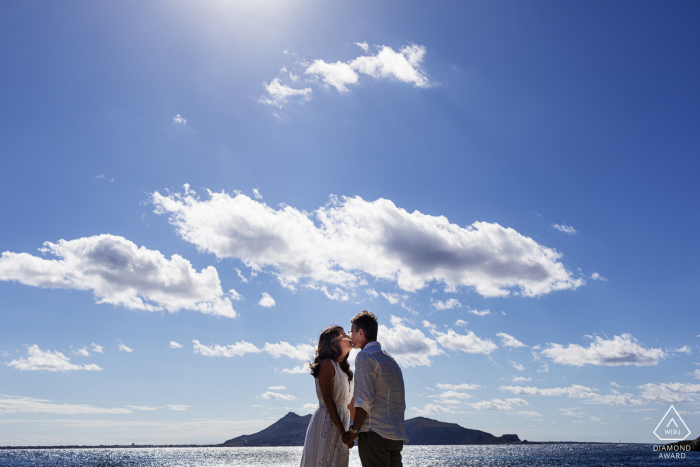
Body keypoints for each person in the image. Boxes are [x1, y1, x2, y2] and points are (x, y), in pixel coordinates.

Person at [342, 311, 408, 467]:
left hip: (374, 435)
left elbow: (364, 400)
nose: (350, 336)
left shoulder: (365, 356)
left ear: (360, 333)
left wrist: (353, 431)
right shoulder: (391, 360)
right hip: (395, 436)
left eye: (351, 332)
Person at [300, 325, 356, 467]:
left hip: (342, 425)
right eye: (343, 336)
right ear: (333, 344)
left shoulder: (346, 372)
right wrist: (343, 432)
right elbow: (328, 399)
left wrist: (355, 431)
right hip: (328, 422)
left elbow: (350, 404)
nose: (349, 337)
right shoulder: (327, 364)